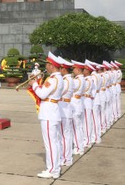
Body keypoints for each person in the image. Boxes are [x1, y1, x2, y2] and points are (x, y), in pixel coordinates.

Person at [29, 51, 63, 179]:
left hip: (49, 113)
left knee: (50, 143)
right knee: (53, 142)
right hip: (51, 112)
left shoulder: (53, 79)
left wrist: (34, 84)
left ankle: (53, 169)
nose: (46, 67)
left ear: (52, 65)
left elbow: (42, 94)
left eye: (47, 64)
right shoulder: (57, 78)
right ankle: (55, 167)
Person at [57, 57, 74, 167]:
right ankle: (67, 158)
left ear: (64, 69)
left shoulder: (66, 80)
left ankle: (65, 158)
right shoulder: (70, 79)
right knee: (66, 135)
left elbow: (59, 92)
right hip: (66, 108)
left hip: (64, 108)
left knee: (64, 136)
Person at [71, 60, 86, 156]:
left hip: (75, 105)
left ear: (77, 69)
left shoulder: (77, 80)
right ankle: (80, 146)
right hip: (79, 104)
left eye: (74, 69)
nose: (73, 71)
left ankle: (78, 148)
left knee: (76, 128)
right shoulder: (82, 79)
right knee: (79, 127)